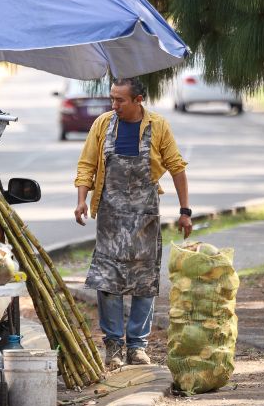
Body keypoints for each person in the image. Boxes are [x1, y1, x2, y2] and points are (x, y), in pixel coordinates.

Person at [74, 77, 192, 369]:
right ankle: (113, 346)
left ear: (138, 100)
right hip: (110, 217)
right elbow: (87, 164)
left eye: (120, 100)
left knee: (144, 282)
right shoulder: (103, 125)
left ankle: (137, 347)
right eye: (112, 99)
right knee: (108, 282)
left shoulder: (158, 126)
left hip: (144, 217)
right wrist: (81, 200)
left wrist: (185, 210)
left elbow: (176, 167)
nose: (114, 105)